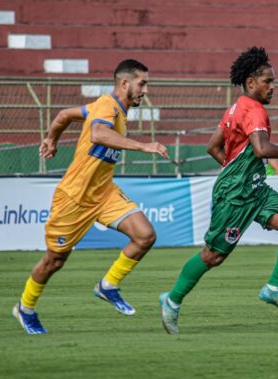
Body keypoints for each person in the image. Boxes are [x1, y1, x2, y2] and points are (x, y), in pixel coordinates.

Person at [159, 47, 278, 335]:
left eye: (273, 81)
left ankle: (273, 288)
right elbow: (261, 148)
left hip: (254, 189)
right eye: (268, 81)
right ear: (251, 82)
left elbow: (213, 147)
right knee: (213, 256)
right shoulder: (254, 110)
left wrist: (237, 170)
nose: (273, 87)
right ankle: (172, 299)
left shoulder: (235, 108)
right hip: (235, 195)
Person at [13, 59, 169, 334]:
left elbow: (63, 115)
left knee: (145, 235)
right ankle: (25, 308)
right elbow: (98, 134)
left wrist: (52, 139)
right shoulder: (107, 107)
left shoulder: (107, 107)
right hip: (75, 197)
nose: (145, 89)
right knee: (54, 262)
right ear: (125, 83)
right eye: (142, 83)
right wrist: (144, 147)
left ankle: (107, 286)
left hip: (103, 192)